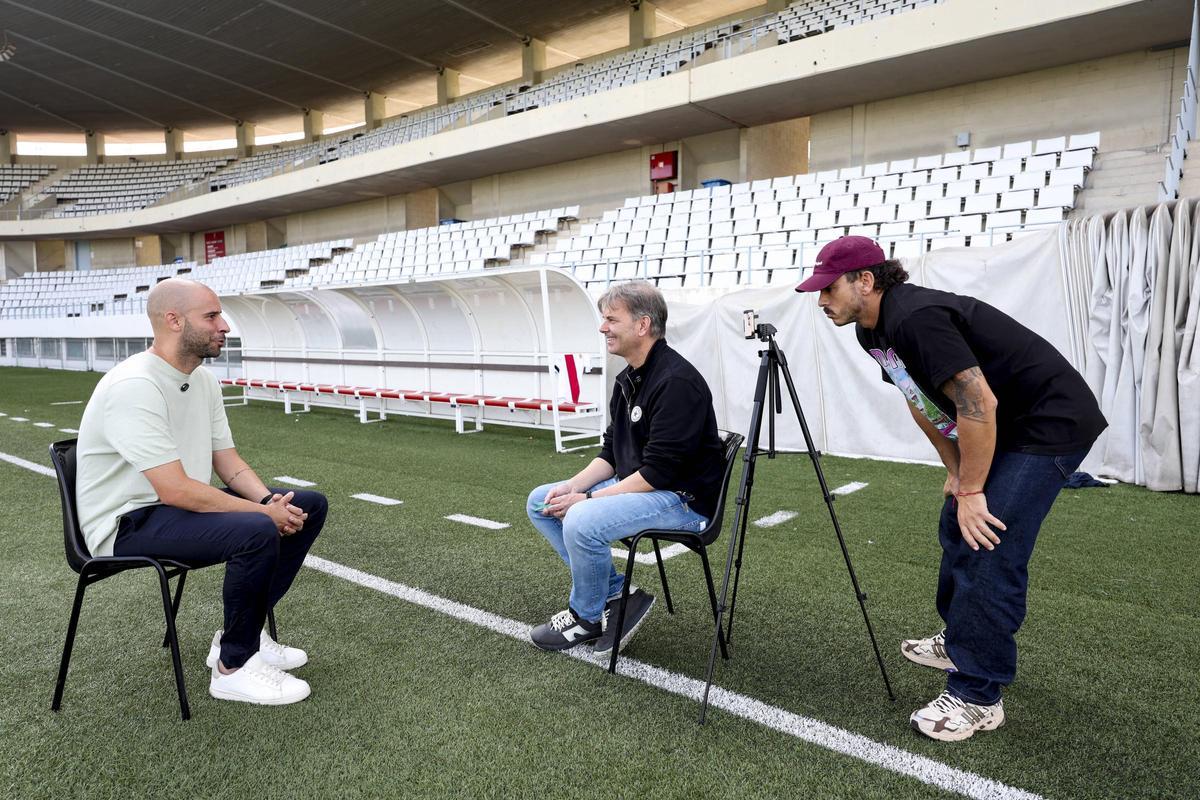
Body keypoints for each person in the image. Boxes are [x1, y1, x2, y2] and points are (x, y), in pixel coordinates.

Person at [796, 236, 1106, 741]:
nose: (821, 301)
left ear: (866, 281)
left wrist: (973, 491)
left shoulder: (915, 318)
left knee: (987, 540)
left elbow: (977, 402)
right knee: (954, 520)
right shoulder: (871, 333)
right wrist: (958, 472)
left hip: (1052, 421)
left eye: (828, 289)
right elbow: (921, 402)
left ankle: (978, 695)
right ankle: (961, 637)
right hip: (1007, 423)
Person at [76, 278, 328, 706]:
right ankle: (233, 666)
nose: (224, 325)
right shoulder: (135, 384)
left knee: (309, 506)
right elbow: (174, 489)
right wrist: (262, 517)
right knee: (255, 531)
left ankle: (240, 634)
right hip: (128, 522)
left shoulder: (203, 380)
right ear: (174, 321)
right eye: (212, 316)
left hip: (174, 509)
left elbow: (227, 462)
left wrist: (269, 502)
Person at [526, 281, 724, 656]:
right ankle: (618, 593)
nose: (603, 328)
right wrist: (570, 486)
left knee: (582, 518)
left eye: (611, 319)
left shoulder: (676, 381)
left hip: (683, 500)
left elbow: (659, 474)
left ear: (642, 325)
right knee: (542, 502)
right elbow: (611, 455)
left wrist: (587, 499)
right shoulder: (630, 378)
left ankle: (585, 618)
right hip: (647, 487)